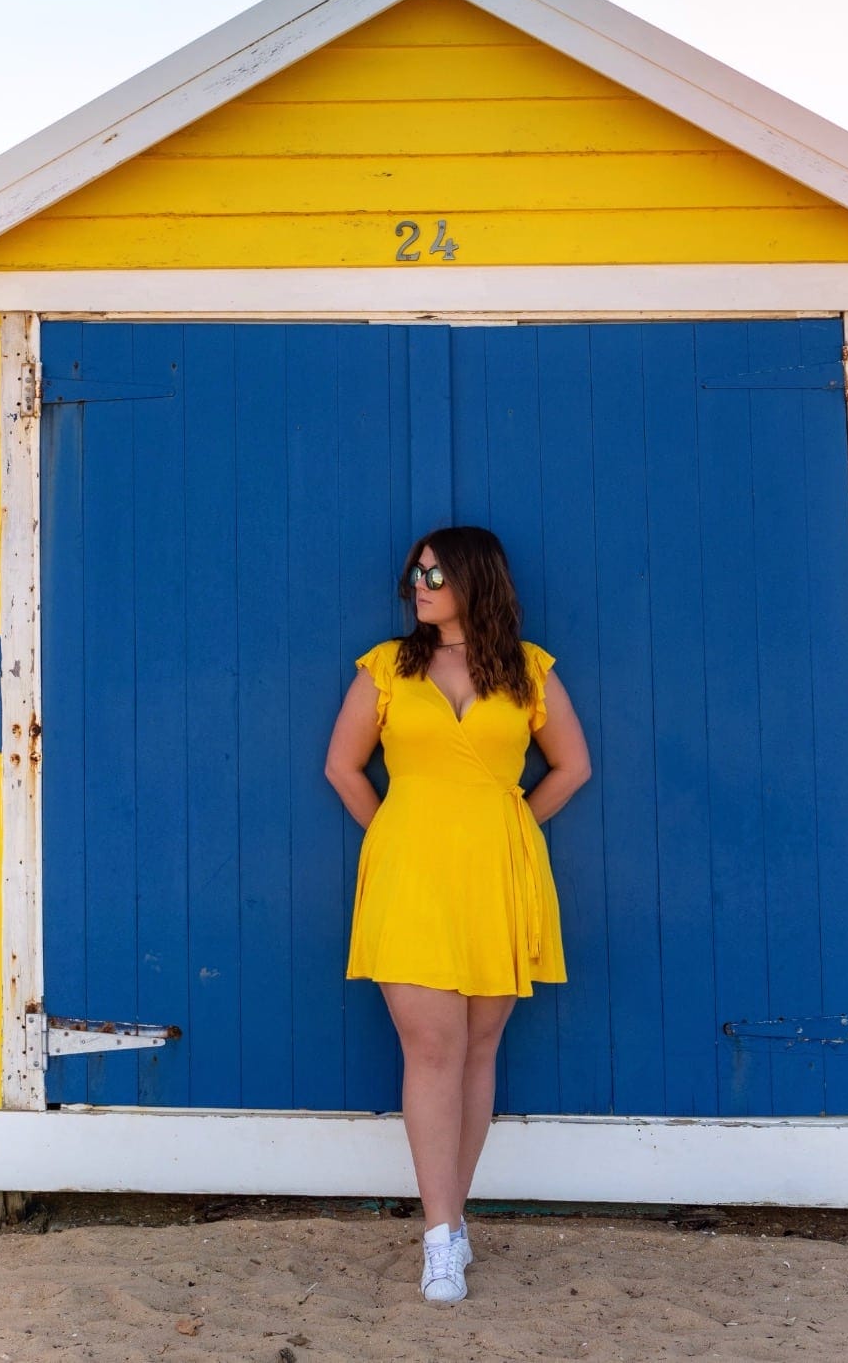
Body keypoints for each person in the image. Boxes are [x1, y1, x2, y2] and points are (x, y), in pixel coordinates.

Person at [325, 526, 591, 1305]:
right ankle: (440, 1238)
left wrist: (512, 829)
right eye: (417, 570)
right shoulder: (387, 666)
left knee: (478, 1048)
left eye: (436, 571)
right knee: (431, 1046)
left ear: (476, 579)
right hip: (411, 874)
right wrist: (398, 838)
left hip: (497, 874)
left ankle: (456, 1218)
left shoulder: (527, 669)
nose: (421, 581)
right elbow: (342, 767)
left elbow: (572, 766)